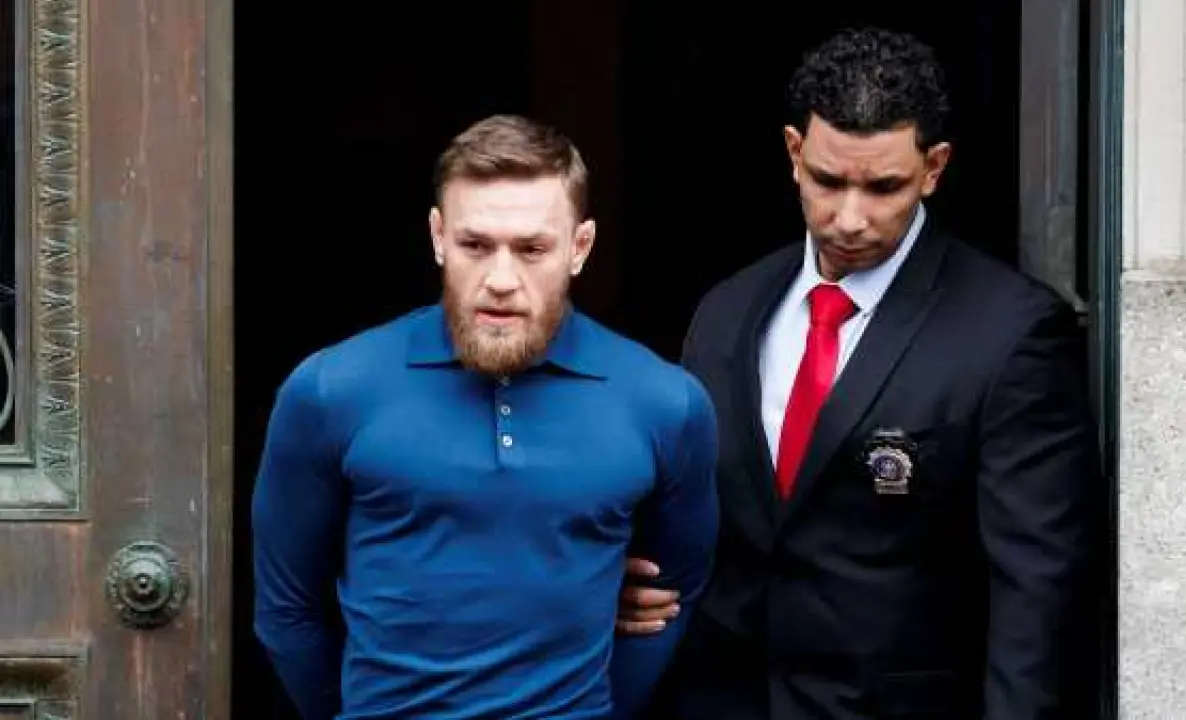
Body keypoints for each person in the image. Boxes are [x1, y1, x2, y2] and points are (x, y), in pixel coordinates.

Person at [619, 27, 1105, 719]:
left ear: (933, 168)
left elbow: (1039, 588)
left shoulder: (1011, 332)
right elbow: (690, 506)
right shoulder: (727, 311)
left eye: (883, 187)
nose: (850, 218)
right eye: (828, 181)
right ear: (794, 153)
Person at [252, 114, 719, 720]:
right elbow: (286, 610)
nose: (501, 279)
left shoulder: (665, 403)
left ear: (579, 248)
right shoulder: (330, 390)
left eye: (532, 249)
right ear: (438, 237)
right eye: (475, 246)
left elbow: (673, 596)